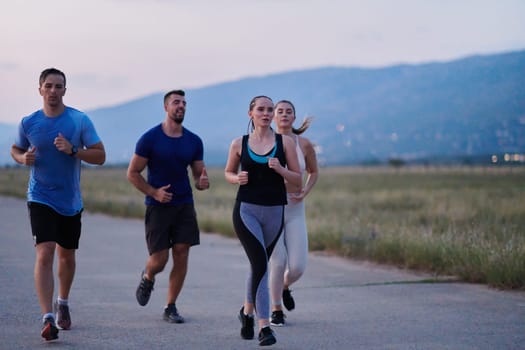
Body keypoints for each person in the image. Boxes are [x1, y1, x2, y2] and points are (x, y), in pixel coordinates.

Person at [10, 68, 106, 341]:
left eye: (58, 87)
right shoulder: (29, 122)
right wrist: (21, 159)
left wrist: (74, 150)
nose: (53, 91)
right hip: (40, 196)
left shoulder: (78, 120)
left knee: (67, 255)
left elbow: (100, 155)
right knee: (45, 252)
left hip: (70, 201)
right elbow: (15, 149)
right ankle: (47, 317)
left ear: (65, 90)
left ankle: (62, 301)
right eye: (48, 86)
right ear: (39, 89)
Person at [224, 95, 302, 346]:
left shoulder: (285, 142)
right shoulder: (239, 143)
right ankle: (264, 327)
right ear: (251, 113)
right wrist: (236, 179)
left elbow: (297, 180)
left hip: (274, 212)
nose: (267, 113)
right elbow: (227, 172)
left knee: (258, 267)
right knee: (261, 264)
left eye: (270, 110)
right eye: (261, 109)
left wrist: (280, 169)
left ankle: (246, 313)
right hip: (246, 211)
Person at [127, 89, 210, 324]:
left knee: (182, 253)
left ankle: (170, 306)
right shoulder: (150, 139)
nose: (181, 106)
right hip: (158, 207)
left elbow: (198, 176)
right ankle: (148, 275)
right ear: (166, 107)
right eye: (176, 102)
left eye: (184, 103)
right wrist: (154, 192)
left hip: (184, 204)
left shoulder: (193, 141)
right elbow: (132, 173)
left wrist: (202, 182)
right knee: (160, 260)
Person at [269, 100, 319, 326]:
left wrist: (305, 191)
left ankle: (286, 286)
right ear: (273, 116)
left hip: (295, 210)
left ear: (294, 117)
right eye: (280, 111)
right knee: (278, 262)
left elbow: (313, 172)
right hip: (271, 210)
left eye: (289, 112)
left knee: (297, 267)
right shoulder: (263, 142)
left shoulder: (304, 144)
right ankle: (276, 308)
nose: (285, 115)